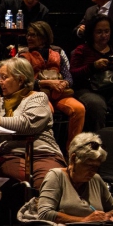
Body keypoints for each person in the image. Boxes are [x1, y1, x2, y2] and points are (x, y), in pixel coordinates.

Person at [0, 57, 66, 190]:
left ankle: (44, 210)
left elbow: (27, 124)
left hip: (43, 152)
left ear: (21, 79)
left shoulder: (37, 98)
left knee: (49, 182)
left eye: (4, 77)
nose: (0, 82)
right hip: (10, 153)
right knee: (18, 183)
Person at [18, 21, 85, 151]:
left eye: (33, 35)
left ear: (43, 37)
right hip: (36, 94)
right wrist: (47, 83)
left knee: (79, 109)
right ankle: (45, 149)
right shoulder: (22, 55)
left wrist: (64, 83)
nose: (28, 38)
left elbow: (69, 76)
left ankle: (72, 151)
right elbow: (21, 81)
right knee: (46, 111)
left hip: (59, 93)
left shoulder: (59, 52)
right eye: (28, 35)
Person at [70, 14, 113, 132]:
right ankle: (98, 144)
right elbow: (74, 74)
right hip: (89, 89)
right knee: (96, 106)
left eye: (107, 31)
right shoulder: (82, 50)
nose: (104, 35)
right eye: (99, 32)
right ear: (91, 33)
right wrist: (93, 67)